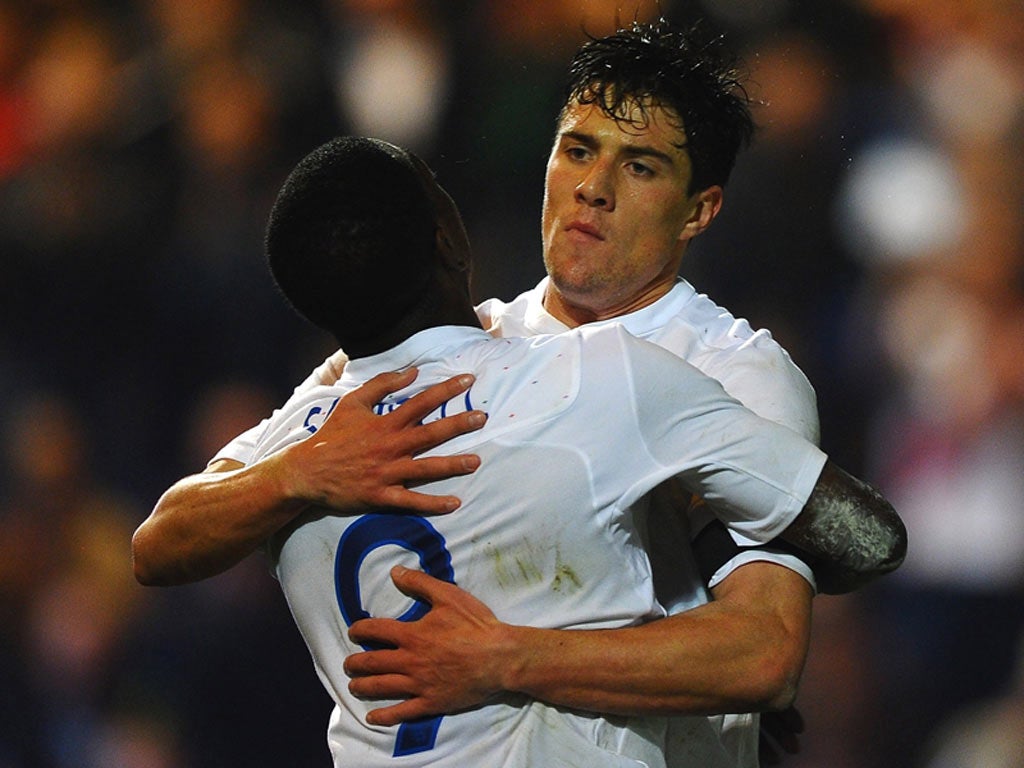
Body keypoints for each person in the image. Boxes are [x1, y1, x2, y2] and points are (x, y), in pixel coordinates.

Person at [133, 18, 906, 767]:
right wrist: (296, 471)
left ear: (698, 210)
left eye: (640, 166)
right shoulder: (454, 343)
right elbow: (162, 542)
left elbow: (763, 653)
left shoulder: (736, 376)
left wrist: (508, 658)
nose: (594, 188)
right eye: (577, 150)